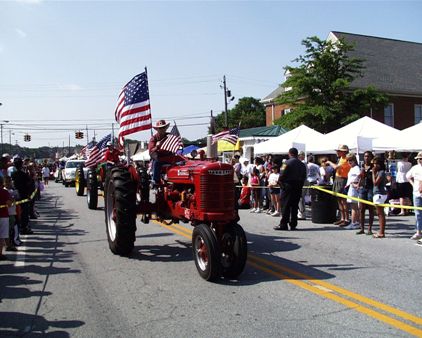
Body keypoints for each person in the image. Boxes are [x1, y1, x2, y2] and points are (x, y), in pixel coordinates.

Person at [274, 148, 306, 231]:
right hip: (298, 186)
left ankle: (283, 224)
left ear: (289, 153)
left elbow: (282, 174)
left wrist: (280, 182)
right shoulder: (302, 164)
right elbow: (304, 177)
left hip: (288, 186)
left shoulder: (286, 163)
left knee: (285, 205)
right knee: (294, 206)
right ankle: (293, 224)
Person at [327, 145, 351, 226]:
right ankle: (342, 218)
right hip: (338, 179)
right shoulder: (341, 158)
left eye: (339, 151)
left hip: (343, 179)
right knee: (339, 200)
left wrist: (329, 162)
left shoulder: (346, 159)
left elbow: (336, 167)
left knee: (343, 201)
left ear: (344, 152)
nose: (337, 152)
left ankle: (346, 219)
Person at [11, 157, 33, 235]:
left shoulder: (13, 174)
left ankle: (17, 228)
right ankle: (24, 228)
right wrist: (28, 194)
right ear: (21, 165)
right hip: (23, 195)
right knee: (24, 212)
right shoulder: (24, 174)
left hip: (15, 195)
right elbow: (29, 184)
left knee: (16, 212)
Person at [148, 120, 173, 186]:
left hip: (170, 157)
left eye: (163, 127)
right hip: (159, 158)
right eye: (160, 128)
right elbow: (151, 151)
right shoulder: (154, 138)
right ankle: (156, 181)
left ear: (166, 128)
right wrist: (157, 146)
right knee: (156, 162)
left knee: (181, 162)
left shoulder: (170, 136)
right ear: (157, 129)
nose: (162, 129)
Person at [356, 151, 375, 235]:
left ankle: (370, 228)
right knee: (361, 209)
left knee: (371, 209)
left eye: (368, 156)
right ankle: (362, 228)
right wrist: (358, 184)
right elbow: (361, 177)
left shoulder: (373, 166)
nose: (366, 158)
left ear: (371, 157)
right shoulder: (363, 166)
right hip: (363, 188)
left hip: (371, 188)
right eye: (365, 156)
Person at [405, 151, 422, 240]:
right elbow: (407, 176)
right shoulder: (415, 168)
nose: (419, 160)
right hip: (417, 193)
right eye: (418, 159)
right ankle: (418, 231)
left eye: (421, 159)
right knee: (418, 213)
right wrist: (413, 184)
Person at [372, 156, 388, 238]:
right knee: (379, 213)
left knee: (380, 213)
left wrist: (373, 173)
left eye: (376, 164)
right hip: (377, 194)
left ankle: (381, 232)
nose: (374, 165)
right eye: (374, 164)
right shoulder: (379, 172)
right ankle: (381, 231)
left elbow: (375, 183)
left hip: (380, 194)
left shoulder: (381, 172)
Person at [344, 153, 360, 230]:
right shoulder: (352, 168)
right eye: (348, 160)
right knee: (354, 206)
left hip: (354, 188)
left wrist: (356, 184)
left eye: (351, 160)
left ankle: (353, 223)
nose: (349, 162)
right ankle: (356, 222)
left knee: (354, 207)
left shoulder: (356, 168)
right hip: (350, 187)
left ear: (354, 160)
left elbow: (360, 176)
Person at [0, 176, 12, 260]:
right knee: (1, 236)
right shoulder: (4, 192)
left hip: (4, 216)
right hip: (3, 216)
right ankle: (0, 254)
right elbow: (9, 204)